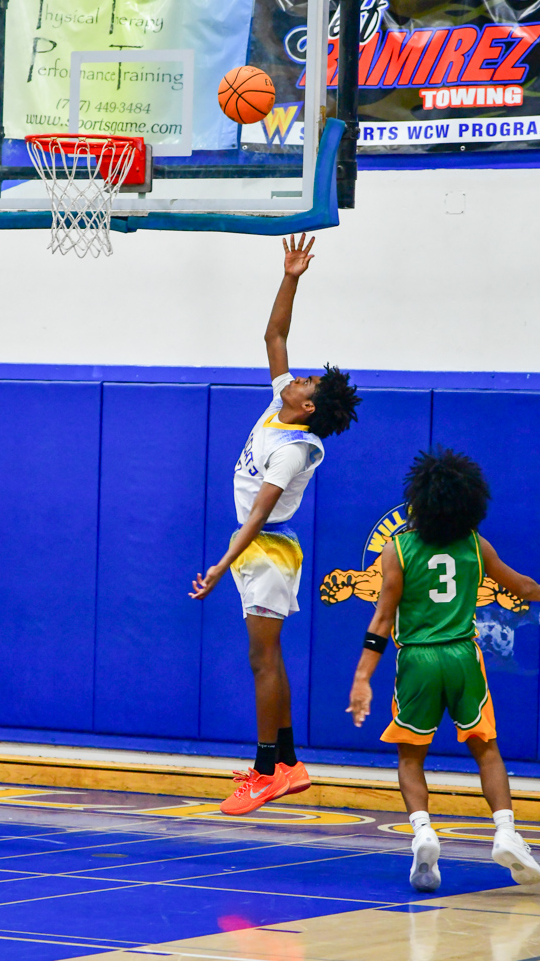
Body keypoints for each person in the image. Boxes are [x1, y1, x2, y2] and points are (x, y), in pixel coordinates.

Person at [190, 233, 360, 816]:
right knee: (269, 657)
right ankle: (288, 764)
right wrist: (291, 277)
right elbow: (275, 336)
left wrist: (220, 566)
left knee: (262, 660)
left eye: (308, 383)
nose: (299, 376)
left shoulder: (294, 449)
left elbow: (260, 513)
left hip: (265, 549)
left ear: (307, 407)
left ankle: (265, 772)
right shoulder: (278, 405)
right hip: (258, 546)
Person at [347, 447, 540, 890]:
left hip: (417, 660)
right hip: (462, 657)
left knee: (410, 756)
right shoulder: (476, 545)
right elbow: (523, 587)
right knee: (486, 748)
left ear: (419, 500)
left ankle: (423, 832)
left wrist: (362, 677)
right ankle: (506, 832)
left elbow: (382, 619)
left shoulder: (397, 550)